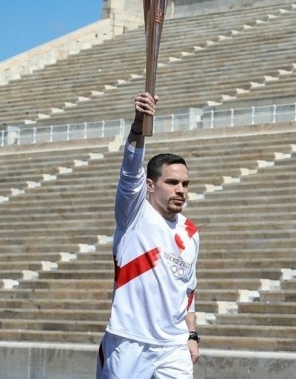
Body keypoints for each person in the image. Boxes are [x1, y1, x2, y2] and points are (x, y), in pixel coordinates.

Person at [97, 92, 201, 378]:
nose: (181, 189)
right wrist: (138, 125)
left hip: (173, 346)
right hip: (129, 341)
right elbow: (130, 172)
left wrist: (191, 335)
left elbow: (188, 290)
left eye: (185, 183)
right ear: (151, 186)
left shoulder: (190, 232)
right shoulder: (134, 215)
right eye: (172, 182)